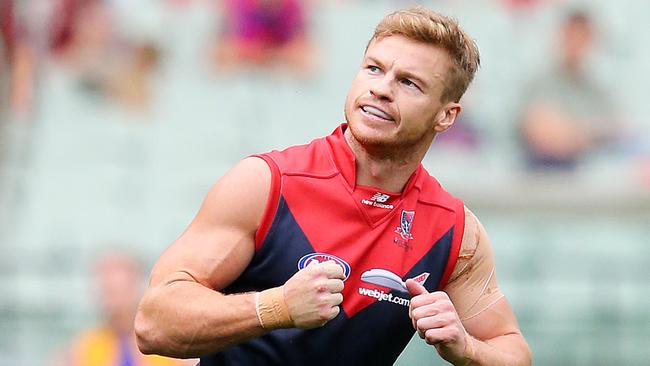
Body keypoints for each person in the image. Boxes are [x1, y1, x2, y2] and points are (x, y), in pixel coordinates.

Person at [135, 7, 531, 366]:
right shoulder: (268, 183)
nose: (381, 88)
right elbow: (153, 323)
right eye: (373, 69)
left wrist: (468, 349)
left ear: (447, 116)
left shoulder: (455, 232)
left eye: (409, 83)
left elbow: (511, 350)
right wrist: (277, 307)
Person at [517, 9, 618, 170]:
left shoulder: (598, 90)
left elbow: (618, 129)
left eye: (582, 37)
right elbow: (543, 134)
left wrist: (574, 132)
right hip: (545, 174)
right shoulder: (540, 84)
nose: (576, 44)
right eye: (571, 35)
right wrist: (589, 133)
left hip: (588, 175)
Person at [52, 252, 193, 366]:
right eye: (108, 292)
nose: (114, 304)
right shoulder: (81, 349)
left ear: (137, 287)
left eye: (119, 292)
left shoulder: (167, 344)